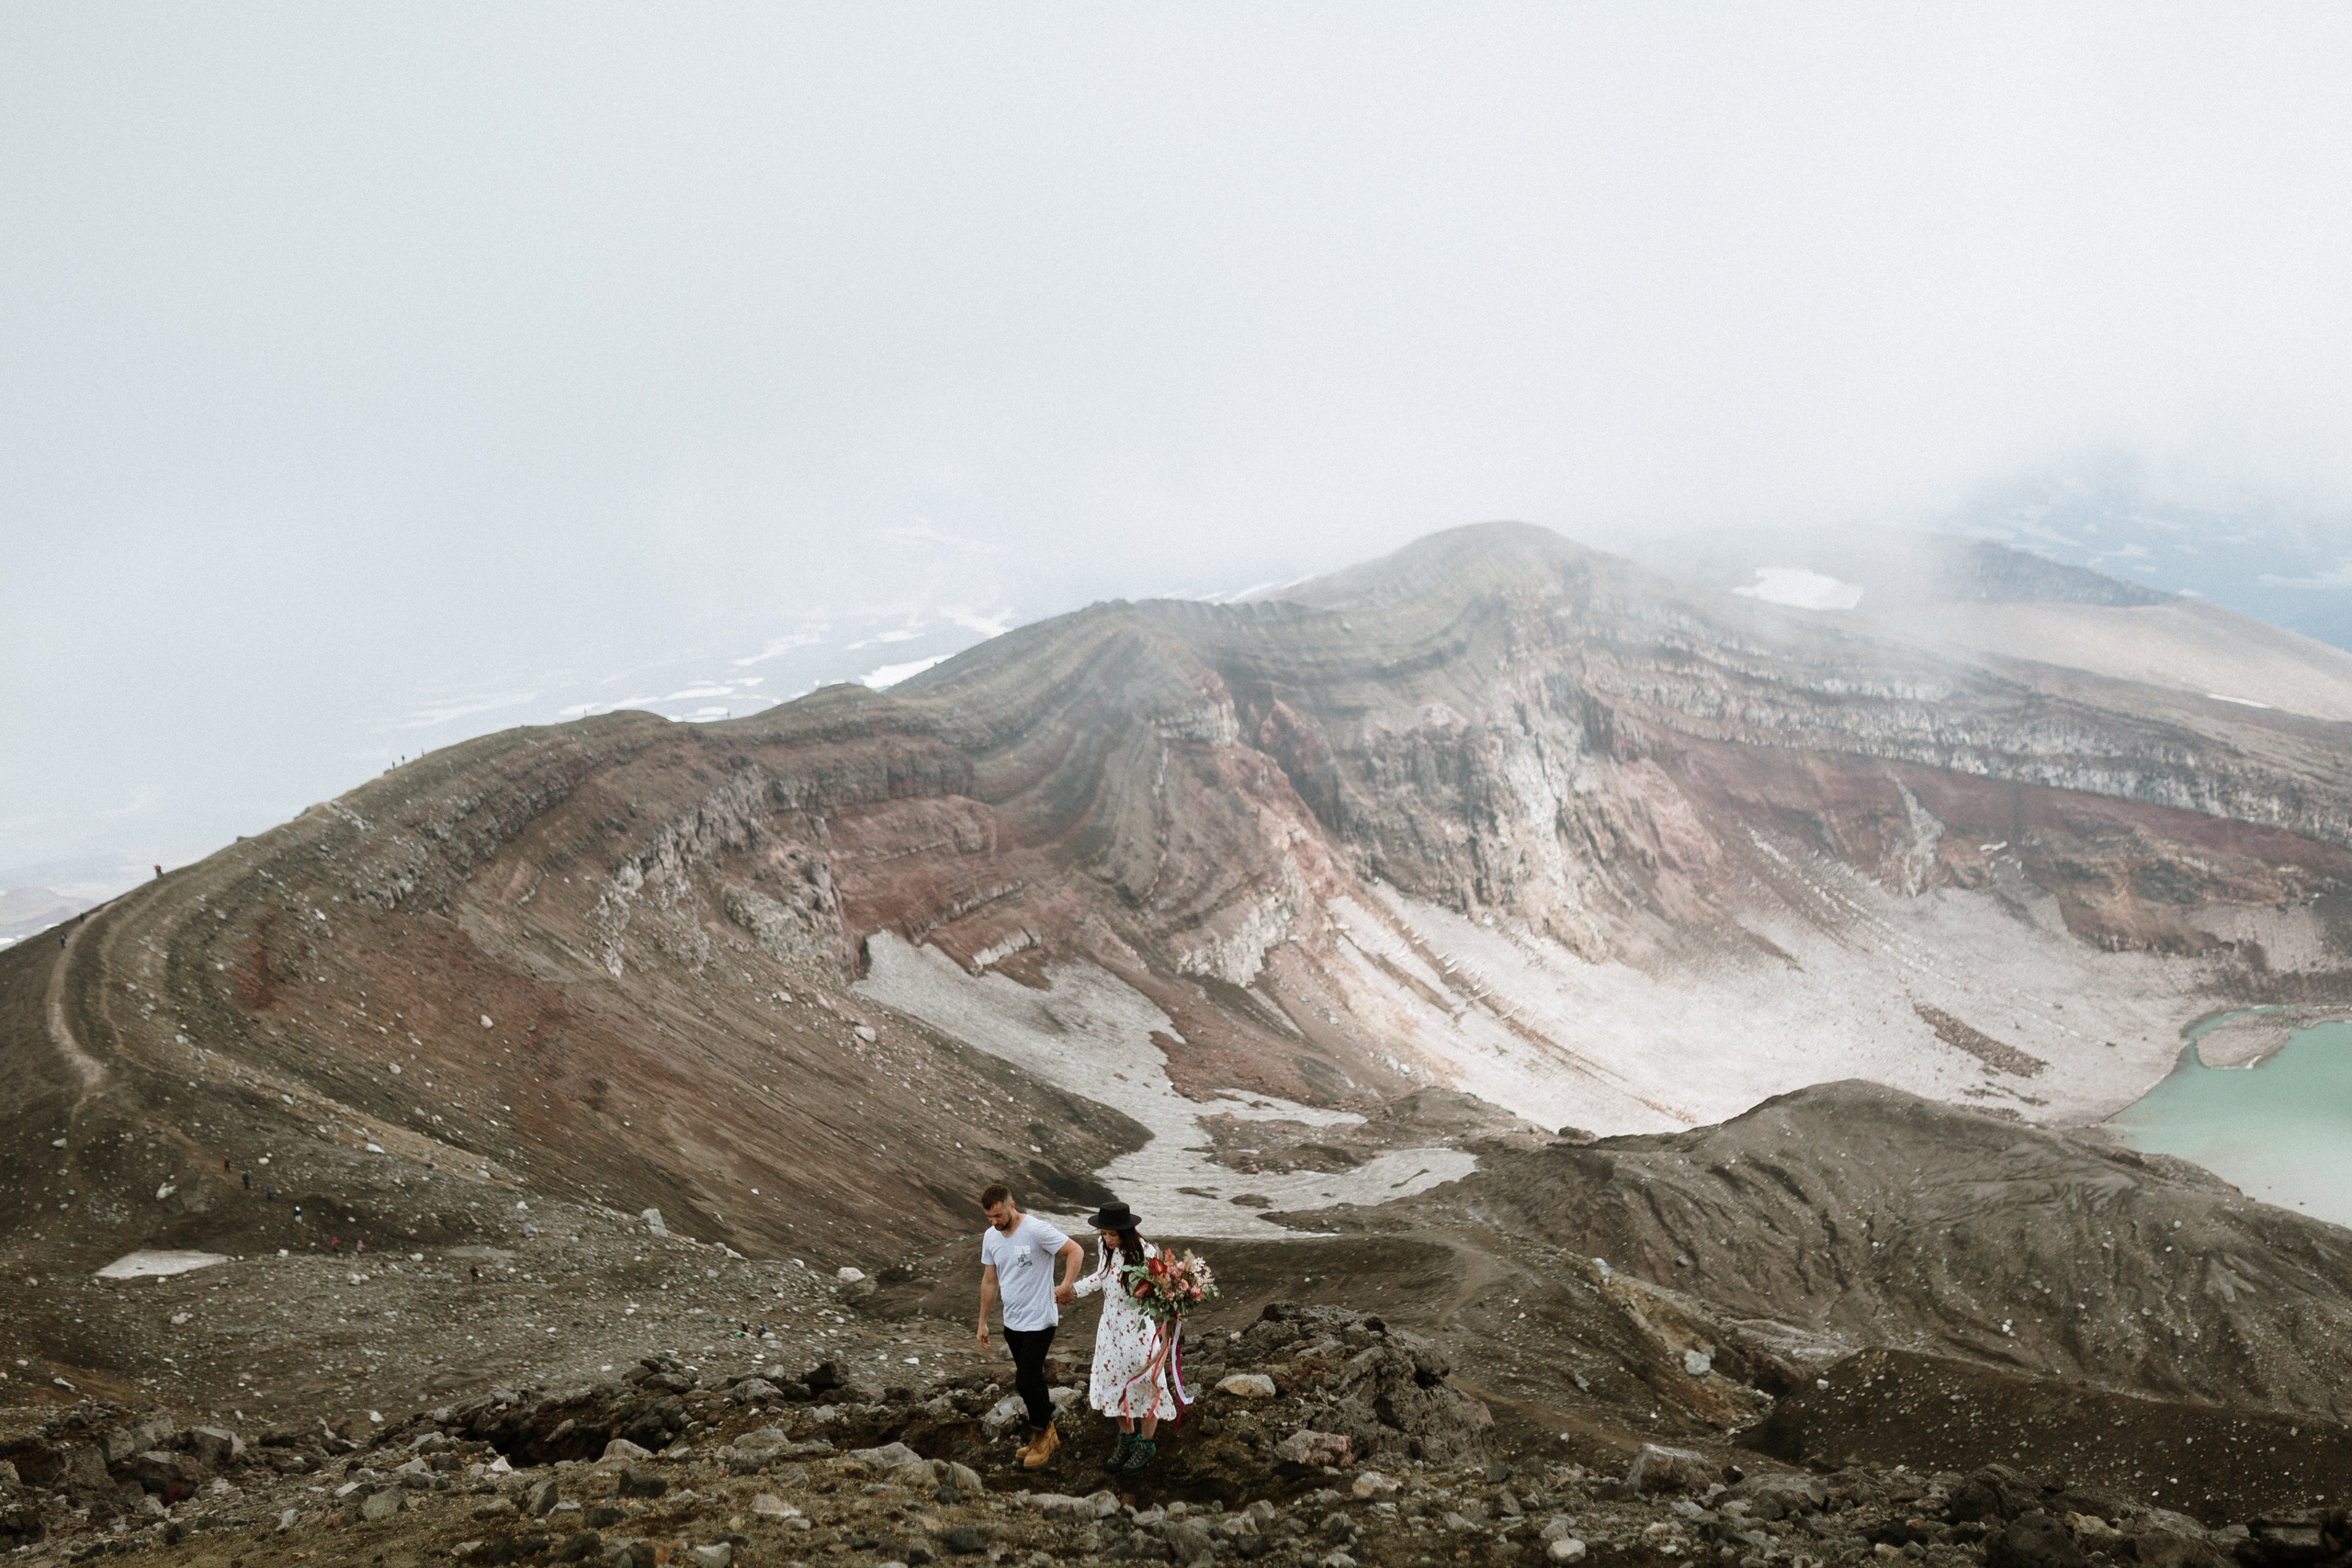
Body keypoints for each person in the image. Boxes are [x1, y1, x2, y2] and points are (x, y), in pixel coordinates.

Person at [1064, 1200, 1182, 1472]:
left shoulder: (1146, 1251)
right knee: (1112, 1381)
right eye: (1103, 1233)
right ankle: (1126, 1438)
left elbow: (1163, 1290)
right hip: (1110, 1329)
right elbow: (1101, 1277)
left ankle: (1146, 1443)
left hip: (1138, 1331)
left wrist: (1172, 1313)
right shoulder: (1103, 1247)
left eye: (1112, 1234)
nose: (1107, 1239)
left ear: (1126, 1232)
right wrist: (1072, 1290)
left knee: (1145, 1384)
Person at [975, 1182, 1083, 1470]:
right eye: (989, 1218)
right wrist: (983, 1321)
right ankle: (1048, 1434)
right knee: (1033, 1380)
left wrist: (1066, 1284)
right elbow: (989, 1280)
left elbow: (1075, 1251)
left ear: (1012, 1206)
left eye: (998, 1216)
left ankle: (1043, 1435)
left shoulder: (1036, 1229)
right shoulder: (991, 1237)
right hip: (1013, 1321)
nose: (994, 1222)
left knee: (1025, 1380)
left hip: (1040, 1318)